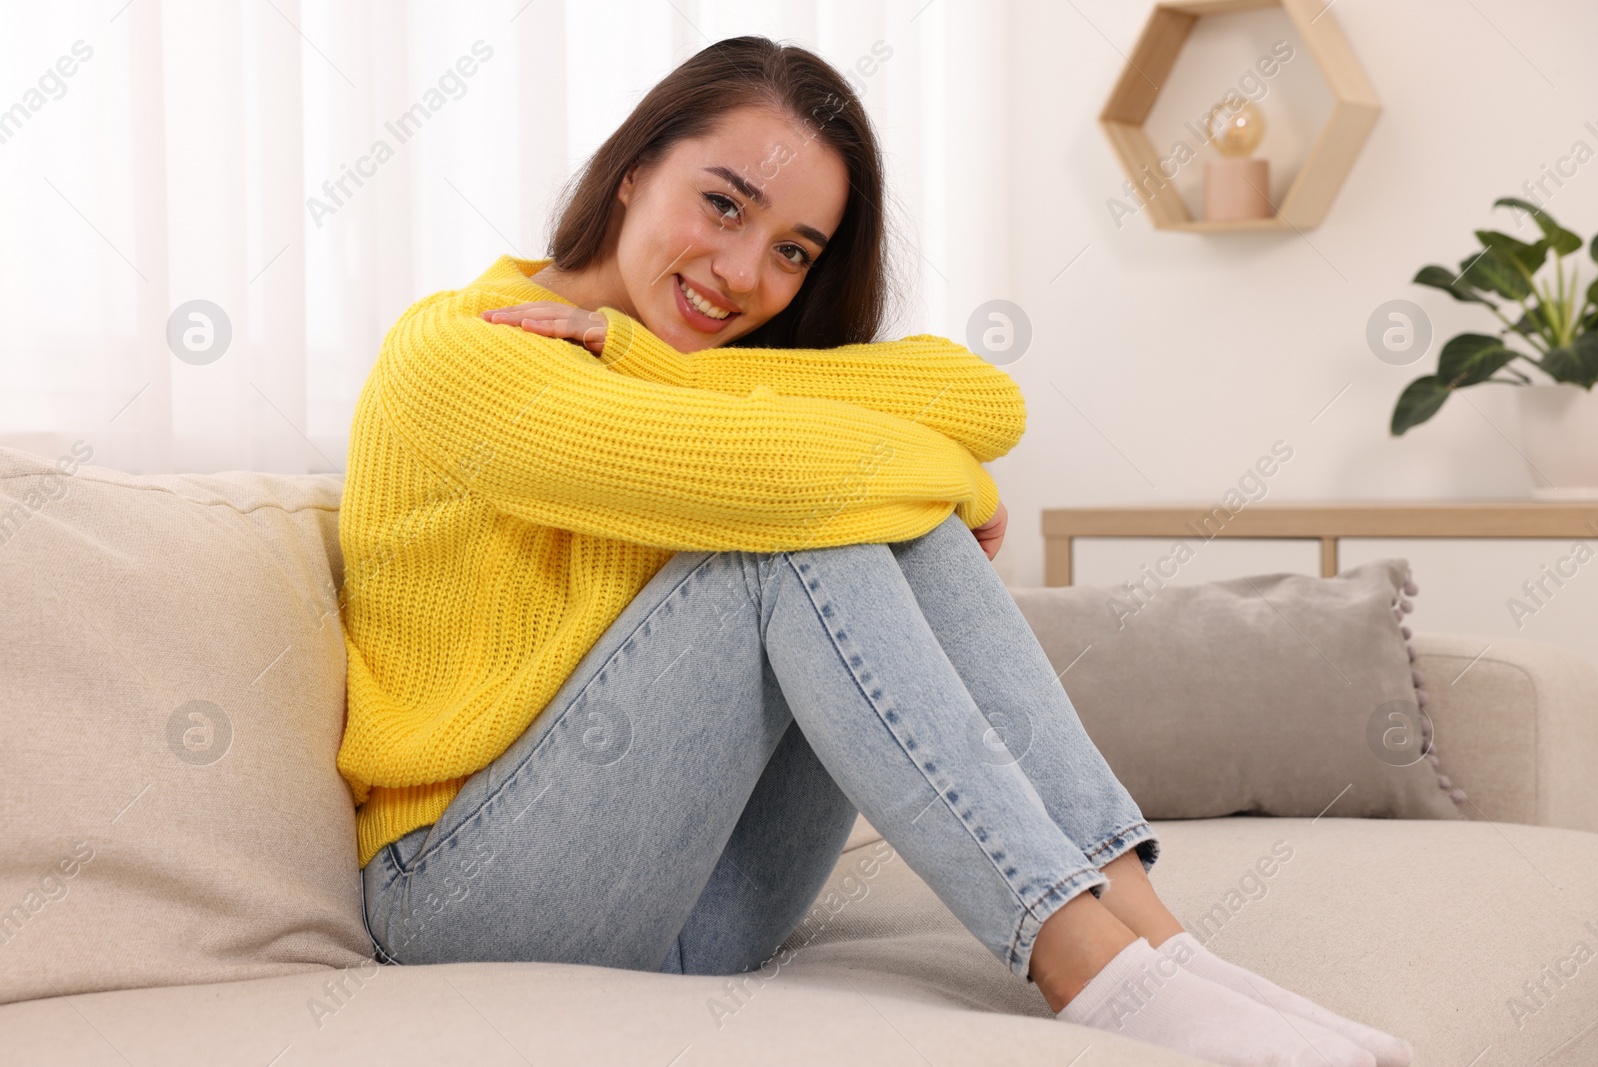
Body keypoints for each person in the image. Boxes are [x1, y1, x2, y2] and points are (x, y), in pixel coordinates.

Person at [338, 34, 1411, 1067]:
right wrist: (960, 483)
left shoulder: (666, 361)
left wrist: (644, 359)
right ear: (631, 170)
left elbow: (979, 396)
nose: (743, 275)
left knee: (871, 518)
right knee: (807, 533)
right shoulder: (460, 350)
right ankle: (1087, 965)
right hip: (467, 895)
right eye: (723, 203)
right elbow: (799, 482)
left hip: (695, 908)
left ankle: (1158, 943)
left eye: (792, 251)